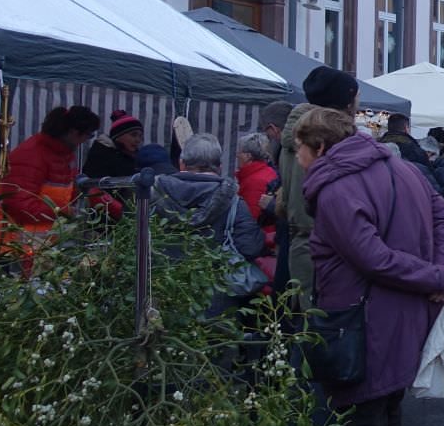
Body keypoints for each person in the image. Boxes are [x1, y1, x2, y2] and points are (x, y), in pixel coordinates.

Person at [295, 106, 444, 426]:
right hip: (401, 315)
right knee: (385, 414)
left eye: (299, 150)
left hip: (363, 319)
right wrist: (441, 268)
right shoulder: (401, 167)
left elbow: (372, 258)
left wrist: (437, 276)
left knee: (366, 422)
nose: (298, 160)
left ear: (320, 146)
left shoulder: (336, 188)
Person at [149, 132, 267, 313]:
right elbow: (250, 247)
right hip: (215, 302)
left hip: (163, 294)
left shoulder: (152, 196)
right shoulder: (233, 202)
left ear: (182, 164)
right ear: (219, 167)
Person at [278, 66, 359, 301]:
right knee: (319, 322)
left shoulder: (293, 136)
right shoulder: (327, 139)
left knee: (306, 319)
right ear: (345, 102)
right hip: (323, 243)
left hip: (301, 240)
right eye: (355, 97)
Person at [0, 105, 102, 258]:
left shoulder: (64, 155)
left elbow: (68, 191)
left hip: (40, 244)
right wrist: (66, 213)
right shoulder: (32, 155)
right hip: (15, 247)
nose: (85, 141)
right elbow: (19, 205)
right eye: (88, 135)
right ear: (74, 132)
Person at [83, 109, 143, 182]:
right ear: (118, 136)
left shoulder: (130, 156)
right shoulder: (101, 156)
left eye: (140, 136)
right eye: (133, 135)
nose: (138, 140)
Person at [234, 131, 278, 225]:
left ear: (248, 156)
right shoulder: (265, 172)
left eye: (240, 152)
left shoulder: (255, 181)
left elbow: (251, 218)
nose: (237, 155)